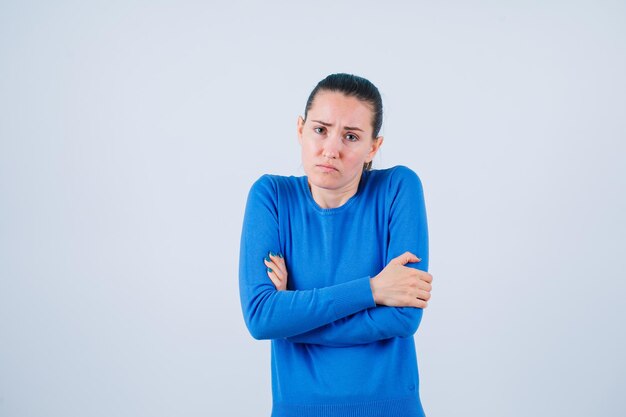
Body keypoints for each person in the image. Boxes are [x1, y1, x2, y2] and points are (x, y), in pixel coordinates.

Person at [238, 73, 433, 417]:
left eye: (351, 136)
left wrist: (292, 317)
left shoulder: (398, 188)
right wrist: (373, 290)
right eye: (320, 129)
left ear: (373, 146)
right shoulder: (271, 196)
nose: (331, 149)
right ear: (300, 129)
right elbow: (261, 318)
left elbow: (403, 317)